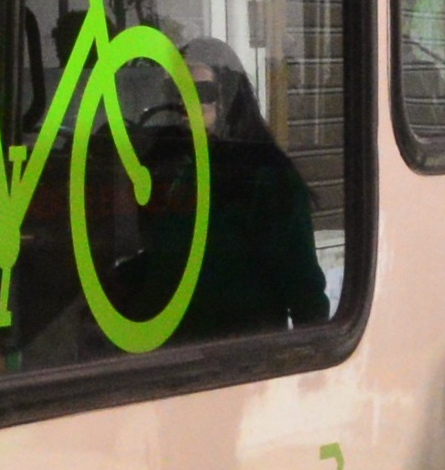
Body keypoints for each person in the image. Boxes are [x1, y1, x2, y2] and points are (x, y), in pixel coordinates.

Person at [121, 37, 330, 341]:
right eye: (175, 91)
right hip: (166, 351)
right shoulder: (165, 165)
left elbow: (304, 291)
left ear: (229, 96)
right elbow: (168, 258)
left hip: (237, 359)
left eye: (200, 92)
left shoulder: (265, 176)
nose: (184, 102)